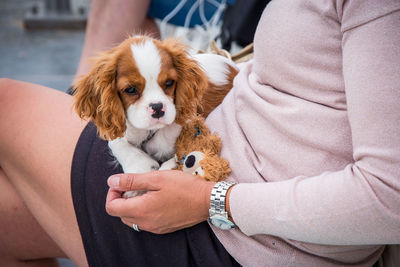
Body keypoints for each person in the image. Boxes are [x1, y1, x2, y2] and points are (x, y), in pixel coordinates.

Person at [0, 0, 399, 266]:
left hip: (236, 237)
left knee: (5, 104)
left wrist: (215, 201)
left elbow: (390, 198)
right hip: (209, 170)